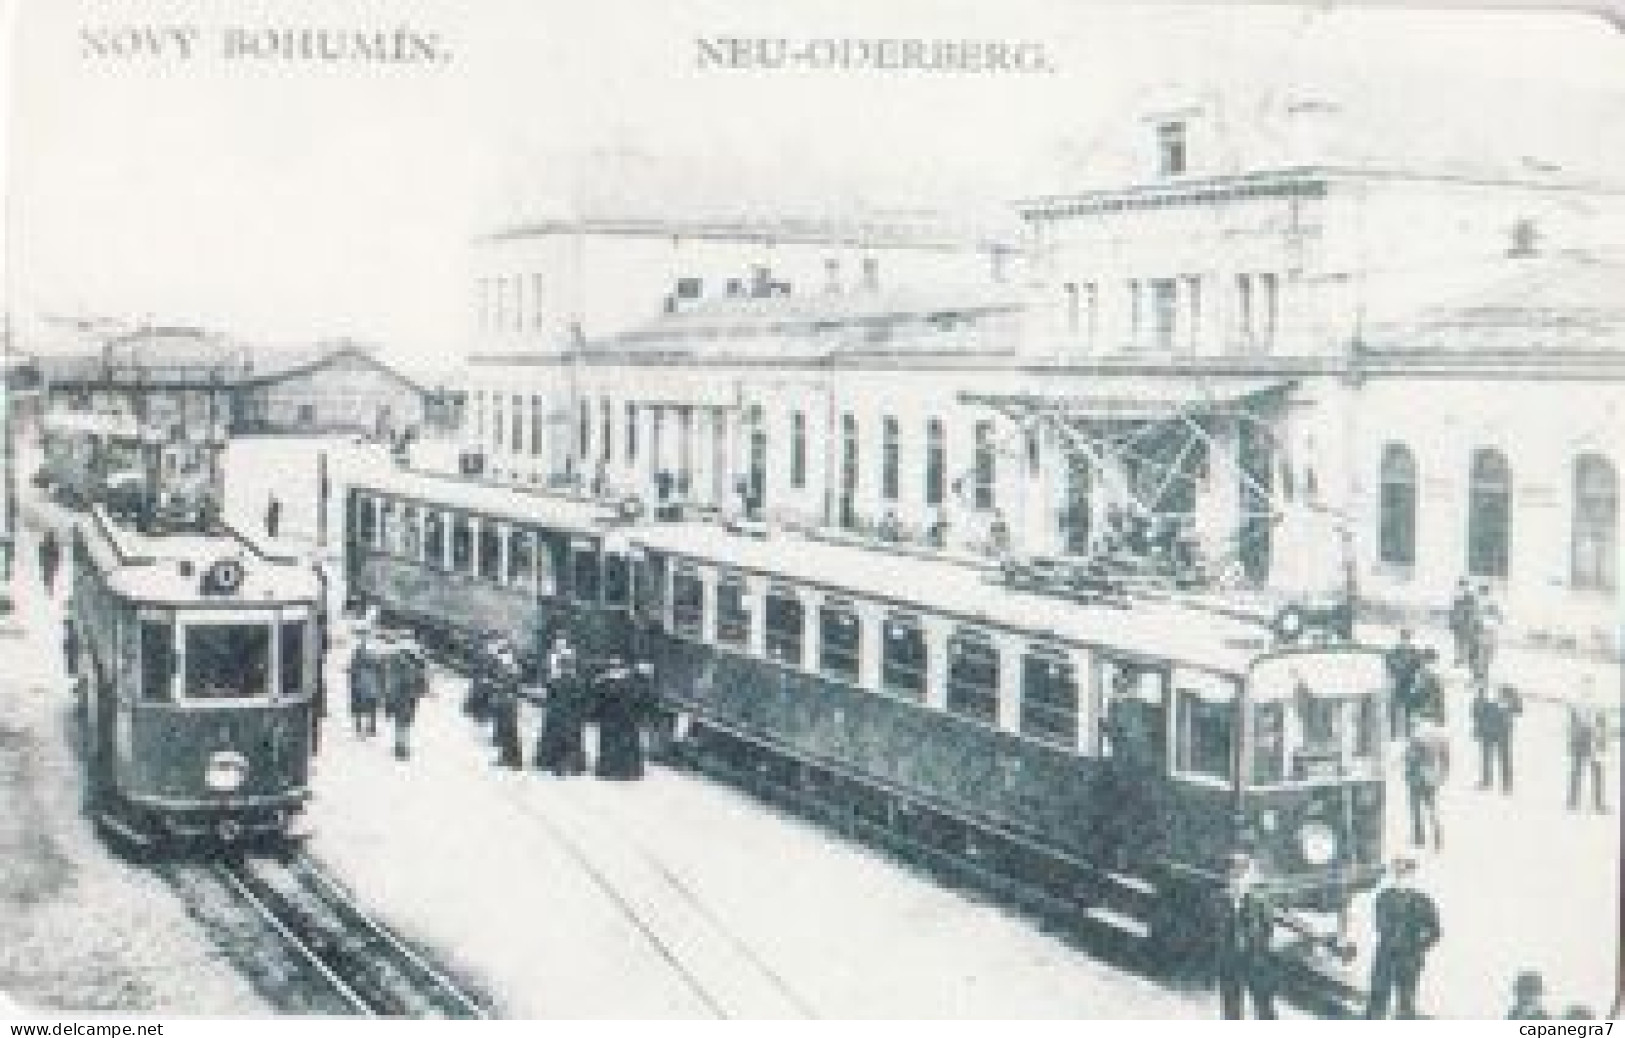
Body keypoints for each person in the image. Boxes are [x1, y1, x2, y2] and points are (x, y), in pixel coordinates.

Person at [1365, 857, 1441, 1019]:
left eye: (1405, 875)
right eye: (1398, 874)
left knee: (1406, 1000)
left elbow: (1435, 931)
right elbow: (1380, 924)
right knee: (1378, 997)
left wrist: (1420, 946)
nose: (1401, 879)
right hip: (1385, 956)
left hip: (1410, 958)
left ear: (1412, 877)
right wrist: (1391, 936)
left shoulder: (1423, 901)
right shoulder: (1384, 897)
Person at [1214, 852, 1277, 1019]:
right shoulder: (1222, 898)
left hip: (1255, 959)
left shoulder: (1258, 899)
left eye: (1240, 870)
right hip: (1229, 958)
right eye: (1232, 870)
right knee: (1231, 1007)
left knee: (1264, 1004)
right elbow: (1217, 926)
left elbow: (1267, 927)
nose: (1234, 876)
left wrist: (1259, 948)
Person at [534, 638, 587, 775]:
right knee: (569, 737)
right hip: (567, 714)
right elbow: (580, 696)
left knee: (558, 737)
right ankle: (571, 764)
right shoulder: (574, 679)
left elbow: (548, 694)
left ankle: (556, 762)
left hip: (559, 713)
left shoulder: (559, 679)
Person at [594, 663, 649, 780]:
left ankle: (613, 770)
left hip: (615, 718)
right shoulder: (633, 683)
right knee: (624, 744)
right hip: (625, 719)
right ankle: (627, 770)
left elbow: (599, 701)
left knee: (613, 743)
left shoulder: (606, 682)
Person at [1404, 720, 1449, 850]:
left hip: (1416, 777)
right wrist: (1442, 775)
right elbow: (1446, 757)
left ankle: (1419, 837)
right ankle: (1437, 835)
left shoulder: (1415, 736)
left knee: (1416, 808)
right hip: (1431, 776)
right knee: (1432, 807)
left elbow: (1410, 758)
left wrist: (1407, 774)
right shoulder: (1440, 736)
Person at [384, 637, 428, 760]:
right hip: (408, 697)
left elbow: (392, 683)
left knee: (401, 723)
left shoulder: (397, 663)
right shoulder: (414, 665)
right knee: (404, 723)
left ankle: (400, 747)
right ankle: (401, 748)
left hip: (403, 697)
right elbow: (422, 682)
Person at [1568, 693, 1611, 813]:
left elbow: (1603, 726)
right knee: (1578, 772)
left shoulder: (1598, 705)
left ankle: (1597, 803)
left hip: (1593, 742)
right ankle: (1573, 801)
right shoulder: (1576, 705)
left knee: (1597, 773)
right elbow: (1573, 727)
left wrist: (1602, 742)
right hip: (1582, 741)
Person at [489, 642, 524, 769]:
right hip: (505, 702)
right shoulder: (509, 667)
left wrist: (501, 691)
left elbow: (509, 686)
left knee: (510, 731)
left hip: (508, 703)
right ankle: (507, 757)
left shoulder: (511, 668)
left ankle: (514, 759)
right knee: (506, 731)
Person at [1385, 629, 1424, 739]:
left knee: (1409, 709)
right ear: (1401, 638)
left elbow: (1418, 665)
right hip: (1397, 682)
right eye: (1404, 638)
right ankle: (1393, 733)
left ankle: (1408, 733)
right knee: (1394, 708)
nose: (1406, 641)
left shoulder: (1414, 651)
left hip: (1409, 682)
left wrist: (1415, 675)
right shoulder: (1395, 651)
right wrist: (1396, 670)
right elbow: (1389, 663)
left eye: (1408, 638)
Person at [1471, 682, 1508, 791]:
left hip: (1500, 731)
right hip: (1489, 731)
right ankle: (1488, 781)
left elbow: (1517, 709)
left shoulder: (1503, 689)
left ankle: (1505, 783)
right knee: (1488, 758)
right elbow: (1476, 714)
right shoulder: (1481, 692)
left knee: (1502, 758)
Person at [348, 629, 381, 737]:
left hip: (360, 681)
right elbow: (380, 666)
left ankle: (359, 728)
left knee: (358, 706)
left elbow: (353, 665)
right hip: (372, 681)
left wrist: (351, 675)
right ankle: (371, 728)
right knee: (372, 705)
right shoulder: (375, 649)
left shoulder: (358, 649)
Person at [1447, 578, 1477, 668]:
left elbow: (1472, 612)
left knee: (1466, 643)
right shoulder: (1457, 598)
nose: (1462, 588)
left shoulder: (1470, 598)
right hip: (1459, 625)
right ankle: (1460, 659)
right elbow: (1453, 612)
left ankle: (1466, 659)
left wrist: (1472, 623)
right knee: (1459, 643)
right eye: (1461, 586)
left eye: (1463, 586)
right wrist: (1452, 623)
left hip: (1466, 624)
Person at [38, 529, 61, 596]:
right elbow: (56, 555)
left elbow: (42, 552)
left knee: (48, 575)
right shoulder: (51, 546)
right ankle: (49, 589)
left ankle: (49, 589)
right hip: (50, 563)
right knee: (49, 575)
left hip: (49, 563)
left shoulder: (47, 545)